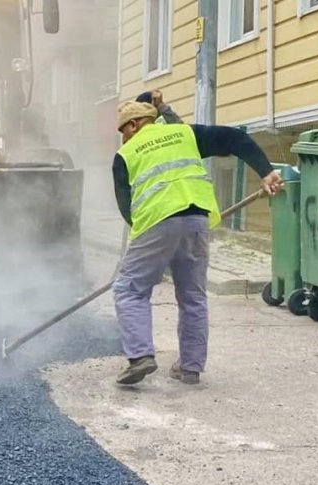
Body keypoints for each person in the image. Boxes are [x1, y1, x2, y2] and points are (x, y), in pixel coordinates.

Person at [111, 101, 284, 386]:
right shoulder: (185, 134)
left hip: (156, 222)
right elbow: (235, 138)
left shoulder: (125, 154)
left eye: (123, 130)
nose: (124, 137)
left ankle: (140, 356)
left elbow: (125, 205)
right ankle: (190, 368)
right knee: (193, 296)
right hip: (196, 220)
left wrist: (149, 247)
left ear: (134, 125)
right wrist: (266, 172)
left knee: (129, 289)